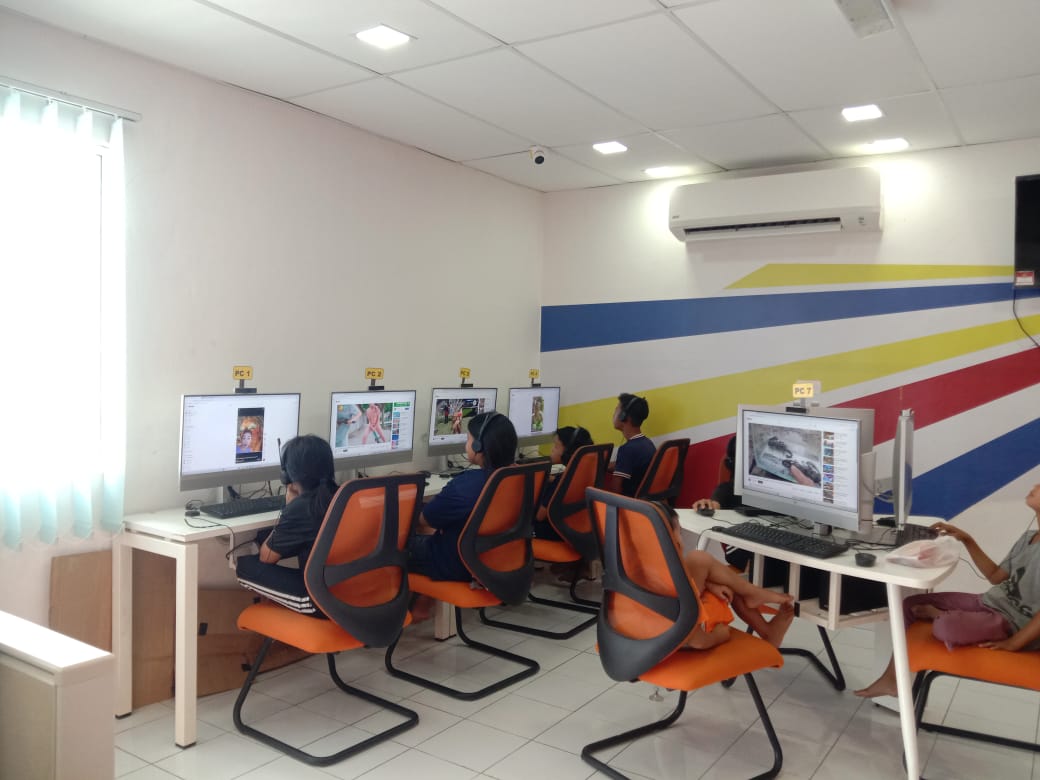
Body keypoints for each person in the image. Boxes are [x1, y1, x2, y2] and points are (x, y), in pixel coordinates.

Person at [855, 483, 1040, 698]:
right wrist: (967, 540)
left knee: (946, 627)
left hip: (1013, 624)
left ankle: (941, 616)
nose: (1036, 486)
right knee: (911, 604)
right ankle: (892, 680)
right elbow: (996, 576)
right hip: (989, 602)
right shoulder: (1029, 537)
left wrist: (1014, 643)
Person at [407, 412, 518, 619]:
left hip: (458, 564)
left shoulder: (468, 485)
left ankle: (384, 616)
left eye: (468, 439)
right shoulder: (516, 478)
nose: (466, 444)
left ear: (478, 446)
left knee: (396, 545)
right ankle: (422, 603)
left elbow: (424, 519)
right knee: (436, 526)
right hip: (493, 559)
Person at [659, 503, 795, 649]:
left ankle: (761, 614)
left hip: (649, 644)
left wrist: (709, 584)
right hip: (678, 643)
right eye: (680, 533)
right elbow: (698, 641)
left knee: (720, 577)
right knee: (698, 559)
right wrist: (719, 635)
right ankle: (754, 596)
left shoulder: (647, 573)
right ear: (674, 541)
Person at [235, 435, 339, 615]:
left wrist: (289, 506)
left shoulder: (301, 508)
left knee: (245, 566)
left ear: (288, 475)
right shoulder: (343, 495)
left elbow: (267, 557)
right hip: (349, 590)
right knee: (265, 538)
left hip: (319, 602)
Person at [533, 425, 594, 541]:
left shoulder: (560, 481)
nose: (552, 449)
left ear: (568, 452)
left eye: (556, 446)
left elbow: (540, 516)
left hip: (552, 531)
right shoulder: (577, 473)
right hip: (573, 526)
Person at [607, 393, 655, 496]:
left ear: (624, 416)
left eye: (616, 410)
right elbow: (632, 465)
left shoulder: (627, 449)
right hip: (645, 500)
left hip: (630, 502)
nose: (613, 414)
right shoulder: (647, 443)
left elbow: (615, 491)